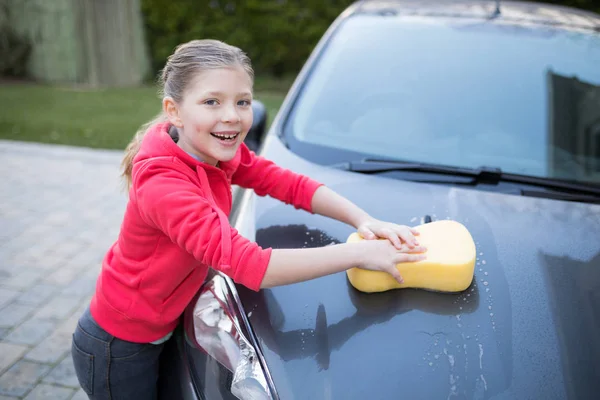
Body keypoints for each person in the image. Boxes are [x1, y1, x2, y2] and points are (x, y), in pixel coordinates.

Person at [70, 39, 427, 399]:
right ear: (174, 111)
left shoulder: (213, 150)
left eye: (242, 101)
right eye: (212, 101)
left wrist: (362, 219)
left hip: (161, 325)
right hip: (120, 347)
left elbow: (286, 183)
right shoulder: (164, 186)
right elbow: (251, 266)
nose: (232, 115)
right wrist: (360, 254)